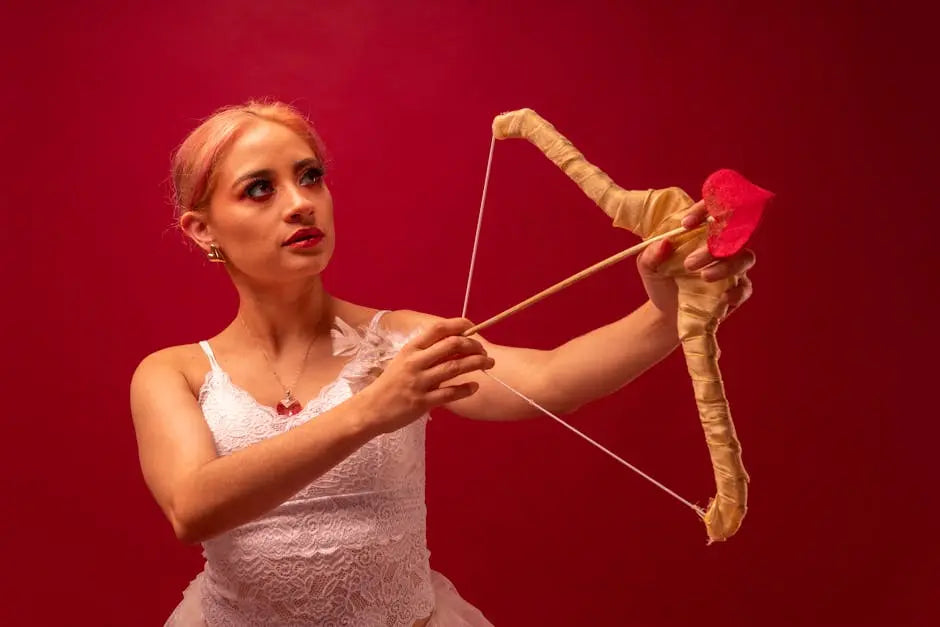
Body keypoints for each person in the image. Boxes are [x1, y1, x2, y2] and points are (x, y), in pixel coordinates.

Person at [130, 100, 756, 626]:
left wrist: (668, 311)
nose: (299, 203)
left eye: (311, 175)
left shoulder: (399, 341)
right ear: (201, 229)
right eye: (260, 188)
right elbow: (193, 507)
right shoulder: (175, 372)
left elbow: (547, 380)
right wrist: (373, 410)